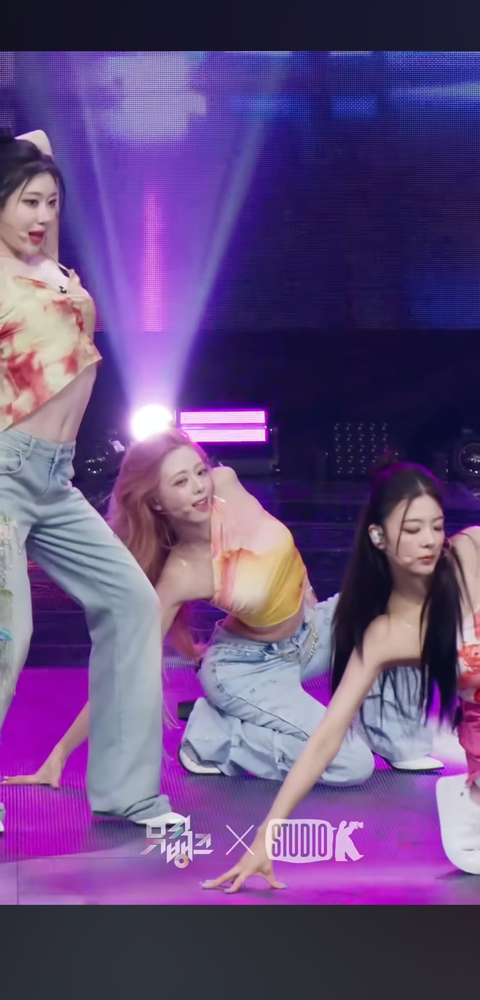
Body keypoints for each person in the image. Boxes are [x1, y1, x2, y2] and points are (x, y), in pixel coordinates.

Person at [4, 433, 443, 796]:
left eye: (199, 471)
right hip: (247, 669)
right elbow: (124, 672)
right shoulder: (182, 573)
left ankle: (395, 735)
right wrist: (59, 756)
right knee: (349, 763)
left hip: (313, 633)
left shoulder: (227, 484)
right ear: (156, 502)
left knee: (393, 604)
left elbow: (275, 548)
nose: (199, 487)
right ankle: (214, 737)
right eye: (181, 482)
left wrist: (305, 588)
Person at [0, 128, 185, 834]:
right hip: (5, 474)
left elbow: (38, 141)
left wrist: (33, 166)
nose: (42, 215)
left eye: (51, 202)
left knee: (132, 604)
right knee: (7, 636)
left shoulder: (49, 266)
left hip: (55, 481)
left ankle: (127, 791)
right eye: (27, 202)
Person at [200, 460, 480, 892]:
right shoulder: (385, 634)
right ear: (379, 537)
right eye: (412, 529)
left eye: (437, 526)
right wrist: (265, 839)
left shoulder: (472, 554)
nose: (429, 540)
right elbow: (326, 738)